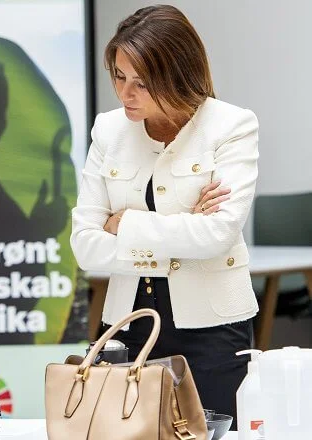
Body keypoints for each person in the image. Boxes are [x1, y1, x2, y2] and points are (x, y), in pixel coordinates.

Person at [71, 5, 258, 427]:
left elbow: (217, 234)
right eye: (119, 76)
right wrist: (181, 234)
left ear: (177, 74)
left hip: (213, 330)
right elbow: (85, 247)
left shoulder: (230, 126)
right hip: (126, 325)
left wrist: (124, 224)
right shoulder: (108, 130)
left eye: (142, 82)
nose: (125, 95)